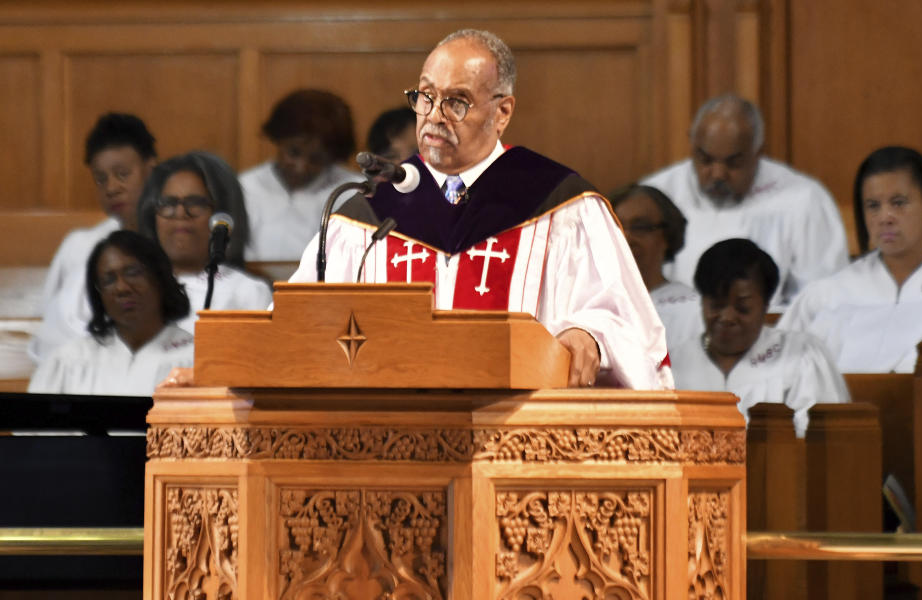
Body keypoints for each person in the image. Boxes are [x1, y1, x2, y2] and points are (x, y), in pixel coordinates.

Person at [289, 29, 671, 389]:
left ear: (502, 112)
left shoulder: (562, 206)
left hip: (522, 445)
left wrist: (589, 334)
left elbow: (627, 323)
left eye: (455, 101)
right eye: (425, 96)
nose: (434, 115)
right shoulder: (365, 215)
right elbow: (295, 329)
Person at [641, 93, 848, 310]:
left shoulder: (804, 199)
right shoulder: (657, 195)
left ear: (758, 152)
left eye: (733, 163)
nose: (718, 174)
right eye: (706, 160)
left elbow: (823, 301)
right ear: (692, 144)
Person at [778, 146, 922, 372]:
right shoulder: (828, 294)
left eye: (899, 202)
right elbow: (782, 367)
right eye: (873, 206)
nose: (885, 217)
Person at [671, 239, 849, 436]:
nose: (727, 317)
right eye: (716, 305)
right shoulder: (674, 365)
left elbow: (826, 441)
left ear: (765, 305)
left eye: (743, 307)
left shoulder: (802, 356)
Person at [30, 113, 158, 362]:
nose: (111, 188)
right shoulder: (79, 246)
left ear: (150, 170)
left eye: (122, 174)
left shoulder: (176, 244)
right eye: (101, 179)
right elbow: (50, 322)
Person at [29, 230, 194, 396]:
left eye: (132, 273)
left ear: (160, 278)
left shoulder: (193, 357)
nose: (121, 288)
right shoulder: (70, 360)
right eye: (108, 280)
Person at [138, 151, 273, 333]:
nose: (180, 213)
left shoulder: (248, 292)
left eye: (195, 203)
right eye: (169, 203)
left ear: (223, 216)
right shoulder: (132, 286)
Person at [240, 89, 364, 261]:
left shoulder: (352, 192)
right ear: (278, 140)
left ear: (333, 157)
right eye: (294, 152)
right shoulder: (245, 188)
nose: (301, 167)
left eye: (316, 159)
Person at [610, 183, 702, 351]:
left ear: (667, 236)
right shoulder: (589, 303)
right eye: (617, 226)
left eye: (641, 228)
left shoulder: (694, 309)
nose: (627, 238)